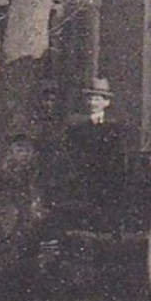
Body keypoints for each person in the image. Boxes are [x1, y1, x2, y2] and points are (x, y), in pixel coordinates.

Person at [61, 77, 130, 233]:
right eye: (90, 99)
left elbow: (119, 155)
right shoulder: (75, 124)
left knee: (105, 218)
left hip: (106, 180)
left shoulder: (115, 125)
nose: (93, 103)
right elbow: (69, 151)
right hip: (82, 178)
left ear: (106, 102)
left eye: (98, 99)